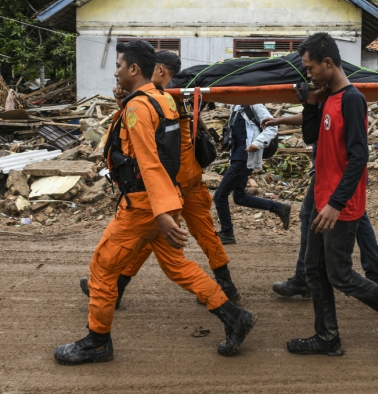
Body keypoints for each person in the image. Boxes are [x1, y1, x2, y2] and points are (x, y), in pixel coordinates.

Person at [54, 41, 255, 365]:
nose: (116, 71)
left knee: (102, 269)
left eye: (119, 65)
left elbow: (148, 161)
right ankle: (235, 317)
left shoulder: (140, 107)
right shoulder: (162, 99)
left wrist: (161, 211)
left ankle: (97, 342)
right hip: (168, 197)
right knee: (177, 266)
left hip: (145, 205)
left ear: (134, 69)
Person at [286, 33, 378, 362]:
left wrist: (336, 204)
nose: (307, 74)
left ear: (328, 63)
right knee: (314, 270)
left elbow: (359, 156)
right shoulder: (328, 98)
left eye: (310, 69)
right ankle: (327, 337)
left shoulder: (351, 99)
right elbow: (312, 138)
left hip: (340, 205)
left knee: (340, 275)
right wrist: (309, 103)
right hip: (323, 200)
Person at [78, 50, 240, 307]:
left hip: (169, 184)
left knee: (147, 242)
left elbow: (142, 141)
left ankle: (115, 288)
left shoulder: (161, 98)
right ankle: (226, 286)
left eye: (152, 68)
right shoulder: (181, 97)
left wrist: (127, 102)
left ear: (161, 71)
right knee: (204, 235)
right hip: (191, 178)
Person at [261, 114, 378, 296]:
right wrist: (281, 120)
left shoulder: (337, 97)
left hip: (333, 172)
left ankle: (306, 277)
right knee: (359, 217)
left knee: (309, 216)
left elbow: (319, 121)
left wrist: (281, 120)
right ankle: (376, 276)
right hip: (336, 171)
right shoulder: (337, 97)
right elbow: (315, 119)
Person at [214, 104, 291, 245]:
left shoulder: (255, 105)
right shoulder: (235, 107)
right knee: (239, 197)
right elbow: (238, 133)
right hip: (237, 157)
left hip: (244, 159)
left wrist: (258, 143)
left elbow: (272, 127)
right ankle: (279, 208)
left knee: (219, 196)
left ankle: (227, 233)